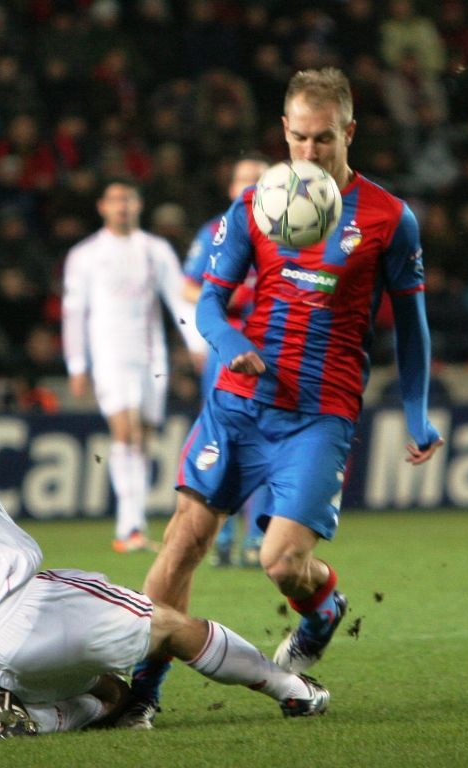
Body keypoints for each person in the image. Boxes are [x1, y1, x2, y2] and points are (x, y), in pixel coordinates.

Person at [0, 312, 330, 742]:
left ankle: (41, 718)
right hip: (22, 610)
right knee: (172, 624)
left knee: (112, 694)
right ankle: (292, 690)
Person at [122, 67, 445, 729]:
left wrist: (416, 411)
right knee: (183, 541)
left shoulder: (389, 218)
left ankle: (322, 608)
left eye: (323, 140)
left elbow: (411, 324)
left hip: (319, 413)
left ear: (349, 133)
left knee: (281, 561)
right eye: (298, 138)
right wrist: (231, 339)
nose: (308, 153)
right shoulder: (256, 204)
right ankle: (143, 693)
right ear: (284, 131)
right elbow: (207, 303)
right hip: (240, 399)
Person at [61, 179, 205, 553]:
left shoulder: (155, 250)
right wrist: (77, 363)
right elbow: (74, 313)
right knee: (124, 433)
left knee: (142, 437)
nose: (122, 206)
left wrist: (195, 343)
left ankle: (134, 524)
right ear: (102, 207)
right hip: (109, 355)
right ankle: (129, 526)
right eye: (115, 200)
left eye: (128, 199)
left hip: (150, 357)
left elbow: (178, 299)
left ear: (138, 205)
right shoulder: (85, 254)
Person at [182, 154, 269, 568]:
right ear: (232, 188)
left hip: (273, 347)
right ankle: (221, 536)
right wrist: (226, 305)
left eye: (260, 178)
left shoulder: (292, 230)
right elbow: (187, 288)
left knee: (269, 439)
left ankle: (258, 538)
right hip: (228, 347)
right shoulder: (215, 230)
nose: (251, 185)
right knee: (223, 440)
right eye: (244, 179)